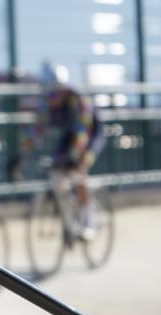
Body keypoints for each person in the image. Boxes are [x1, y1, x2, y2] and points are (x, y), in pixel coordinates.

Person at [25, 62, 106, 237]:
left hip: (90, 134)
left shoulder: (78, 101)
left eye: (56, 93)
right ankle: (69, 219)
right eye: (49, 94)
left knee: (79, 171)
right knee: (57, 175)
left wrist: (75, 158)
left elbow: (82, 134)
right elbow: (36, 130)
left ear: (63, 88)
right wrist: (22, 153)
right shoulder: (47, 103)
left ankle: (88, 220)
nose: (52, 98)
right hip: (70, 136)